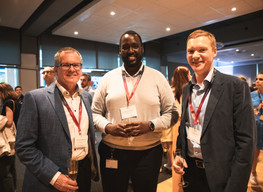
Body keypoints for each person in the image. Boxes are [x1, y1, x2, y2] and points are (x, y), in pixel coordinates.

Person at [92, 30, 178, 192]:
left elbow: (172, 113)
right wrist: (108, 127)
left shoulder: (157, 77)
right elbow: (94, 114)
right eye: (125, 47)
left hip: (148, 154)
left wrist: (151, 125)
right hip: (112, 152)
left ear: (142, 49)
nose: (130, 51)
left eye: (135, 46)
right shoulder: (107, 79)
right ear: (119, 51)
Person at [172, 29, 256, 192]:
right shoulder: (186, 89)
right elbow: (184, 128)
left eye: (202, 50)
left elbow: (246, 142)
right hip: (191, 173)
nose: (195, 55)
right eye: (191, 51)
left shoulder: (236, 86)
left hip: (222, 177)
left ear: (214, 51)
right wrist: (178, 154)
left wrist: (236, 186)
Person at [15, 47, 98, 192]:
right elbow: (24, 147)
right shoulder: (35, 98)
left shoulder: (86, 97)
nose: (72, 69)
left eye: (76, 65)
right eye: (66, 65)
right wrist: (53, 176)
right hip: (50, 178)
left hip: (83, 172)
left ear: (81, 68)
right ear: (56, 69)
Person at [161, 66, 191, 172]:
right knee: (181, 143)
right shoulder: (189, 89)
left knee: (169, 144)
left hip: (170, 120)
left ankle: (170, 164)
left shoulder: (170, 90)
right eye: (189, 74)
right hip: (182, 121)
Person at [0, 83, 18, 192]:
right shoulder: (15, 101)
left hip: (8, 138)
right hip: (14, 137)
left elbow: (9, 122)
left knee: (5, 172)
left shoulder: (8, 103)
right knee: (11, 167)